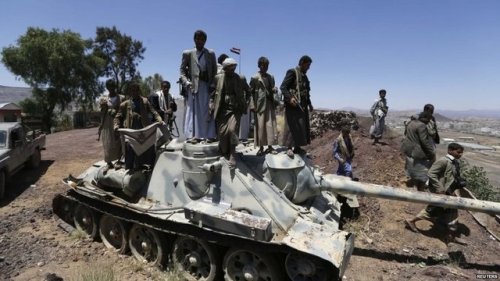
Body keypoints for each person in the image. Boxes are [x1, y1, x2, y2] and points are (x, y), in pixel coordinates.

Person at [405, 143, 468, 245]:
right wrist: (439, 189)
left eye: (461, 152)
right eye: (458, 152)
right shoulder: (443, 161)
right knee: (433, 210)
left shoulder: (454, 162)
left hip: (448, 192)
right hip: (441, 192)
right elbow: (431, 174)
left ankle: (450, 236)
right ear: (450, 150)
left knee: (451, 212)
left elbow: (452, 177)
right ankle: (411, 221)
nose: (460, 154)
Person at [114, 82, 164, 170]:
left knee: (146, 146)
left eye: (136, 90)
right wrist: (116, 125)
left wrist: (159, 119)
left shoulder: (145, 101)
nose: (135, 92)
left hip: (143, 129)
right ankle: (131, 167)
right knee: (130, 148)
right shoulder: (125, 104)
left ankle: (146, 166)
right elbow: (118, 116)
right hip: (131, 131)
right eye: (133, 90)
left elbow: (153, 112)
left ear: (139, 91)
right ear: (130, 92)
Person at [179, 30, 217, 142]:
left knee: (207, 110)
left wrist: (213, 84)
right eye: (198, 38)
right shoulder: (188, 53)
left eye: (202, 39)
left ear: (205, 41)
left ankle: (209, 135)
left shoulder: (210, 53)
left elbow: (214, 71)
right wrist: (187, 82)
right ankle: (193, 136)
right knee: (193, 111)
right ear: (194, 39)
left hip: (206, 85)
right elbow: (181, 71)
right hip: (194, 86)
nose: (200, 41)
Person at [209, 58, 246, 168]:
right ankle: (225, 150)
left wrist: (246, 103)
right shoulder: (217, 78)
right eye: (229, 69)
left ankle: (233, 153)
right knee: (223, 134)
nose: (232, 71)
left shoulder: (240, 78)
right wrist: (211, 104)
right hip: (222, 109)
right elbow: (211, 93)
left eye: (233, 68)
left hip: (235, 109)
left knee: (232, 130)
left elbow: (248, 91)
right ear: (224, 69)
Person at [280, 55, 314, 158]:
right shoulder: (292, 72)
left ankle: (297, 147)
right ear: (302, 63)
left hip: (302, 106)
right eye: (307, 65)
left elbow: (306, 92)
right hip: (292, 105)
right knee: (292, 126)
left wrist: (309, 103)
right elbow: (283, 87)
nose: (308, 68)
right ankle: (289, 147)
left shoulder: (304, 76)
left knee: (301, 127)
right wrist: (290, 98)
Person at [249, 56, 278, 156]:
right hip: (259, 105)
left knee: (270, 126)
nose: (265, 67)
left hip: (269, 104)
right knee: (260, 127)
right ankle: (261, 148)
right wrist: (252, 105)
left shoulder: (270, 77)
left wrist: (274, 89)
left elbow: (272, 88)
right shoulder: (255, 78)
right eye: (263, 65)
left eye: (266, 65)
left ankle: (270, 147)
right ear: (259, 65)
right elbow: (250, 93)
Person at [400, 111, 436, 191]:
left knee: (412, 168)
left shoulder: (411, 123)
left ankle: (414, 185)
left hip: (409, 150)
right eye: (428, 119)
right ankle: (420, 189)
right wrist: (431, 152)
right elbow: (424, 141)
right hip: (418, 151)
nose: (428, 121)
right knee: (421, 171)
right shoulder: (421, 126)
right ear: (425, 118)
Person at [97, 79, 124, 171]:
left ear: (115, 86)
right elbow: (101, 113)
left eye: (113, 86)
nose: (111, 88)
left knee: (118, 142)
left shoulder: (121, 98)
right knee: (107, 142)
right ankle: (109, 163)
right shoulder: (103, 99)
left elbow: (124, 111)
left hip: (118, 122)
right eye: (109, 87)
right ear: (107, 87)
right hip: (106, 124)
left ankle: (118, 161)